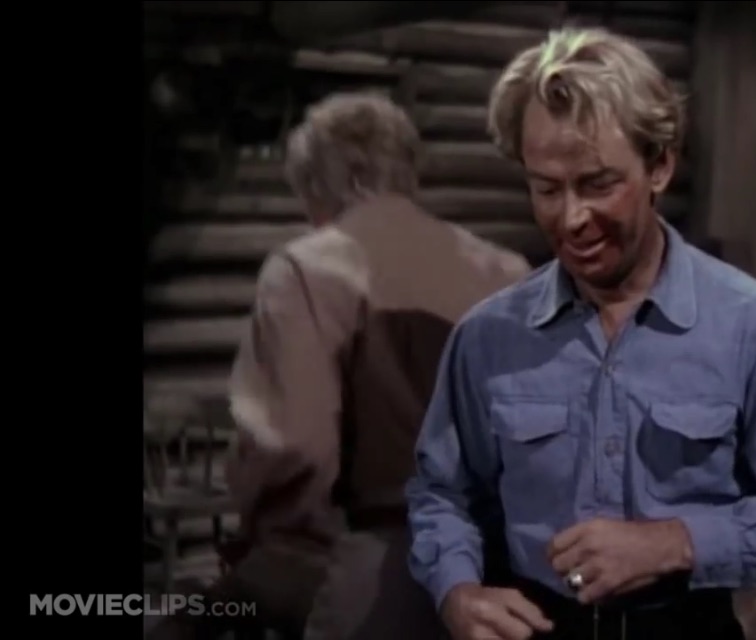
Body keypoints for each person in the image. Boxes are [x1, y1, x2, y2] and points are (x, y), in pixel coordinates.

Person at [406, 27, 756, 640]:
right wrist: (457, 592)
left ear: (660, 166)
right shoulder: (487, 338)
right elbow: (441, 494)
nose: (571, 218)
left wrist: (677, 543)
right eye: (546, 189)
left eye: (598, 184)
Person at [150, 89, 531, 639]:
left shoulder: (307, 269)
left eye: (308, 196)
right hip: (493, 577)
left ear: (341, 181)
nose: (311, 218)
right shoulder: (507, 272)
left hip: (369, 577)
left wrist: (265, 541)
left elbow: (295, 450)